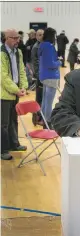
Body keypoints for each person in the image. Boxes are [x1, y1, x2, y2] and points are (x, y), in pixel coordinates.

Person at [1, 29, 28, 160]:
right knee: (3, 124)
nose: (18, 40)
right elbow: (3, 77)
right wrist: (16, 89)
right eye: (14, 38)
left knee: (13, 121)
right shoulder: (1, 54)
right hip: (4, 95)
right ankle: (3, 150)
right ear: (6, 38)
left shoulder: (18, 52)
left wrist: (23, 86)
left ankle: (14, 144)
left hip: (15, 92)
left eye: (18, 37)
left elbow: (22, 71)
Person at [38, 27, 61, 129]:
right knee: (49, 102)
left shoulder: (42, 45)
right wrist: (59, 61)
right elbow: (51, 64)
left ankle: (43, 120)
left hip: (44, 76)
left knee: (45, 101)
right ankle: (48, 122)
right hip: (51, 76)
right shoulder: (50, 47)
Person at [31, 29, 44, 125]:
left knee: (42, 98)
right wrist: (39, 76)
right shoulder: (36, 47)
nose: (41, 36)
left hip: (44, 75)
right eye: (39, 35)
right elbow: (35, 63)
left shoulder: (43, 45)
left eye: (42, 35)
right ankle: (37, 118)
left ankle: (39, 117)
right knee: (39, 98)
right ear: (36, 36)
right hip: (40, 76)